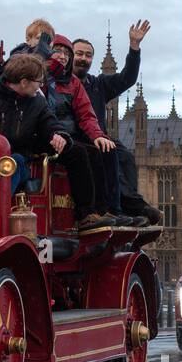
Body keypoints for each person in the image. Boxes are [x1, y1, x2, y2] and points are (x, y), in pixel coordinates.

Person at [0, 53, 115, 232]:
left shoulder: (36, 100)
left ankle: (86, 215)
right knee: (14, 163)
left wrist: (58, 135)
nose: (41, 86)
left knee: (78, 152)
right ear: (24, 82)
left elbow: (49, 121)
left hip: (23, 152)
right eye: (38, 81)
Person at [72, 22, 162, 226]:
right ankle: (116, 209)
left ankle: (131, 207)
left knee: (126, 156)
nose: (83, 58)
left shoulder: (97, 84)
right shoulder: (64, 84)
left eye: (87, 55)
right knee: (107, 153)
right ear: (70, 55)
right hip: (79, 139)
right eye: (79, 54)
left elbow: (127, 78)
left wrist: (134, 48)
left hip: (100, 138)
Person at [45, 36, 134, 227]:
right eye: (57, 51)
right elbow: (40, 110)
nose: (61, 56)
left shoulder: (74, 83)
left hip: (68, 137)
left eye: (65, 53)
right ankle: (85, 213)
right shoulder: (41, 77)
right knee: (80, 153)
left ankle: (106, 211)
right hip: (47, 134)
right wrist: (54, 132)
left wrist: (98, 135)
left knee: (105, 149)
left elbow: (86, 114)